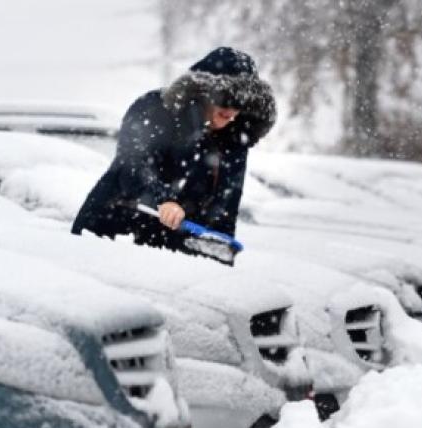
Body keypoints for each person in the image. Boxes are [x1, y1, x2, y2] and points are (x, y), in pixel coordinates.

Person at [71, 46, 276, 264]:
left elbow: (226, 204)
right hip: (115, 233)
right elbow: (133, 165)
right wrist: (163, 199)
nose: (232, 111)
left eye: (242, 103)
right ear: (202, 91)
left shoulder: (234, 138)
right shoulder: (154, 109)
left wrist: (221, 254)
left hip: (176, 249)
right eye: (226, 99)